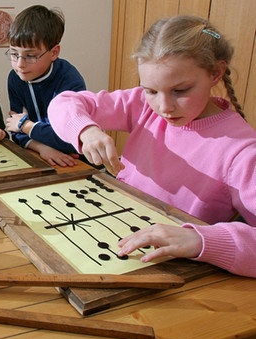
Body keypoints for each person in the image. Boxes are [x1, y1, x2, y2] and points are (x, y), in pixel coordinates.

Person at [48, 15, 256, 278]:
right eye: (151, 90)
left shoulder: (242, 151)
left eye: (181, 90)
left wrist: (201, 241)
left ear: (216, 73)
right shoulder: (142, 105)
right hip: (111, 235)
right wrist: (86, 130)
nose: (164, 107)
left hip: (169, 275)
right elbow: (62, 103)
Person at [5, 5, 86, 167]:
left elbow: (71, 140)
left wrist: (25, 125)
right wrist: (42, 147)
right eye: (14, 54)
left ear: (54, 52)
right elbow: (15, 131)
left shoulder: (69, 80)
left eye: (30, 56)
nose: (19, 64)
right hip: (39, 155)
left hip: (74, 161)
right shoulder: (15, 78)